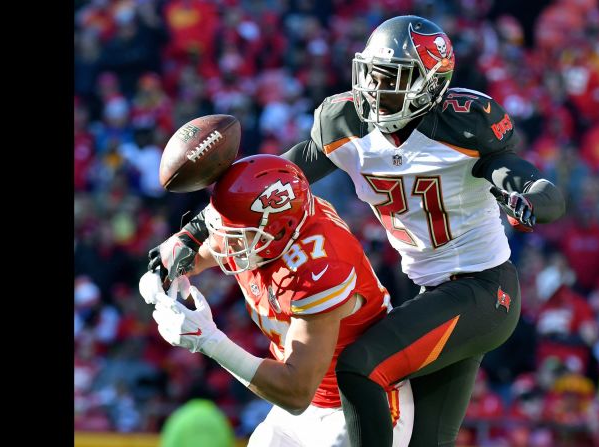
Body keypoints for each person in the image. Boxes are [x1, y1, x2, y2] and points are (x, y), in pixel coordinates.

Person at [149, 15, 565, 447]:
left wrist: (531, 198)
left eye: (391, 78)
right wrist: (194, 234)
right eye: (370, 72)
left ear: (429, 84)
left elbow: (530, 183)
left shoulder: (463, 125)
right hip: (428, 289)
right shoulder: (347, 122)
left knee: (360, 366)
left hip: (483, 289)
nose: (373, 87)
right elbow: (274, 184)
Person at [140, 154, 413, 447]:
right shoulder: (267, 229)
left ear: (279, 232)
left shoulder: (319, 268)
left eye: (238, 237)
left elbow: (296, 391)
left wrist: (209, 341)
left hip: (360, 405)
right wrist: (165, 270)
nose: (225, 246)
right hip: (307, 406)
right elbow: (204, 251)